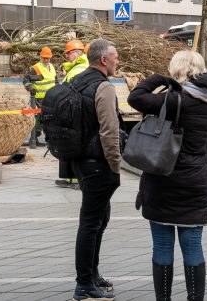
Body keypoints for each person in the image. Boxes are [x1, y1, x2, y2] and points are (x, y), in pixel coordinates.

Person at [127, 50, 207, 301]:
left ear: (175, 69)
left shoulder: (171, 99)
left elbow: (135, 97)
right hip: (195, 184)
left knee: (162, 246)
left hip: (162, 183)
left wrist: (156, 78)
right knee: (192, 247)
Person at [69, 39, 122, 300]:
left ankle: (92, 275)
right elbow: (109, 132)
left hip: (80, 159)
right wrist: (115, 165)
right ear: (103, 60)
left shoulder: (77, 81)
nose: (117, 61)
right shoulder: (104, 87)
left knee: (99, 220)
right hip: (98, 163)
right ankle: (84, 284)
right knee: (91, 223)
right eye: (115, 57)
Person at [57, 39, 89, 188]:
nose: (67, 57)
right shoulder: (82, 67)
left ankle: (77, 179)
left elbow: (66, 92)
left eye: (68, 54)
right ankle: (71, 178)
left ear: (76, 54)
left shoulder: (77, 70)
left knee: (74, 146)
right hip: (79, 114)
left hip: (75, 115)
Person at [25, 46, 56, 146]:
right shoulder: (36, 68)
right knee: (42, 116)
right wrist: (30, 87)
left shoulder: (51, 67)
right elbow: (25, 80)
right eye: (44, 58)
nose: (46, 60)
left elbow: (55, 80)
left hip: (51, 97)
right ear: (40, 57)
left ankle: (47, 137)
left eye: (48, 58)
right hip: (40, 97)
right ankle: (35, 137)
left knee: (48, 117)